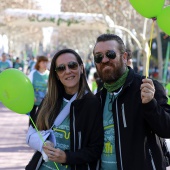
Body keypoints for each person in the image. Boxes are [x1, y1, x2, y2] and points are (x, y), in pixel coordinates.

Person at [93, 33, 170, 170]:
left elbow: (167, 129)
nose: (104, 60)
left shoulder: (147, 87)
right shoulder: (99, 98)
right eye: (98, 56)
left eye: (110, 54)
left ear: (124, 57)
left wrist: (150, 104)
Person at [26, 49, 104, 170]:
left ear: (81, 68)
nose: (67, 71)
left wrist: (67, 157)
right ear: (56, 75)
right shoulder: (49, 100)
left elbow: (96, 150)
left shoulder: (93, 104)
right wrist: (43, 144)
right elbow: (32, 132)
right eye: (61, 68)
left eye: (72, 65)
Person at [28, 56, 49, 126]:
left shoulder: (48, 74)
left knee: (41, 119)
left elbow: (50, 88)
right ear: (39, 63)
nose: (45, 64)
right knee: (32, 118)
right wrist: (32, 96)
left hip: (44, 101)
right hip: (33, 100)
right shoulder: (33, 73)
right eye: (43, 62)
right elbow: (28, 86)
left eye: (46, 62)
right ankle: (31, 133)